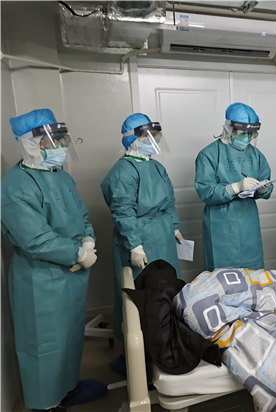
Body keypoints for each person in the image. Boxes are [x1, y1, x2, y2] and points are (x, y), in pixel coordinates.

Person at [1, 109, 105, 411]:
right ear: (31, 143)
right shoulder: (16, 185)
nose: (59, 146)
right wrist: (77, 253)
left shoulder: (62, 177)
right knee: (44, 344)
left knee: (69, 336)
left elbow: (81, 215)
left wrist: (88, 240)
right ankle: (45, 403)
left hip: (71, 277)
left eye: (61, 139)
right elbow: (35, 238)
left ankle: (67, 389)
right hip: (41, 280)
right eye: (51, 140)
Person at [101, 113, 183, 347]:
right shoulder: (123, 171)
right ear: (133, 139)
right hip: (140, 239)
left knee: (168, 287)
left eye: (155, 135)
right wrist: (135, 245)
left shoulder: (157, 167)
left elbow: (169, 202)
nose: (153, 140)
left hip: (163, 235)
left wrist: (174, 227)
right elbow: (123, 211)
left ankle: (166, 341)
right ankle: (140, 350)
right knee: (142, 293)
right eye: (148, 136)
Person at [194, 102, 273, 271]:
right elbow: (205, 191)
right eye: (244, 133)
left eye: (251, 134)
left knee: (252, 274)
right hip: (221, 224)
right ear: (230, 130)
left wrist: (264, 189)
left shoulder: (256, 155)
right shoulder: (209, 155)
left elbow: (265, 179)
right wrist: (235, 187)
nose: (248, 138)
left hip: (248, 222)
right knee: (223, 274)